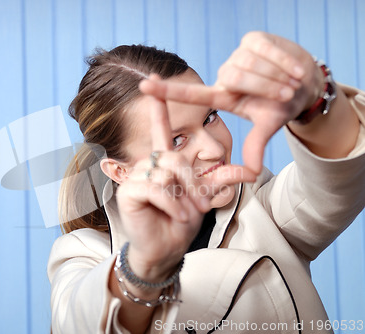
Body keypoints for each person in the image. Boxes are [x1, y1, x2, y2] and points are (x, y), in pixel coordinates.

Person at [47, 31, 365, 334]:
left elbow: (334, 183)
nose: (214, 150)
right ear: (120, 172)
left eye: (210, 117)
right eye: (176, 140)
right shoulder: (83, 253)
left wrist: (314, 101)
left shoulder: (259, 207)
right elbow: (76, 322)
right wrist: (143, 266)